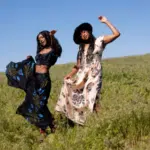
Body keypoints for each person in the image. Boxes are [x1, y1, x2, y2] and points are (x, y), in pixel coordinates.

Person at [55, 16, 120, 125]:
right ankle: (82, 120)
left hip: (94, 75)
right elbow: (78, 65)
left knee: (93, 97)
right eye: (81, 33)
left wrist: (106, 22)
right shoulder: (80, 48)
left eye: (85, 31)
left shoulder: (99, 41)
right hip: (82, 75)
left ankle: (100, 122)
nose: (84, 34)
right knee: (79, 96)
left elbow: (116, 34)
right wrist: (69, 75)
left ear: (89, 32)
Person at [5, 30, 62, 140]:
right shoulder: (40, 51)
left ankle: (52, 124)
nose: (41, 39)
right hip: (34, 79)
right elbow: (36, 64)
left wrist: (52, 37)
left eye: (42, 37)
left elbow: (57, 49)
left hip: (44, 80)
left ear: (46, 37)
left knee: (41, 103)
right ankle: (44, 130)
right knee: (34, 103)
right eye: (39, 38)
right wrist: (30, 59)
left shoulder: (53, 50)